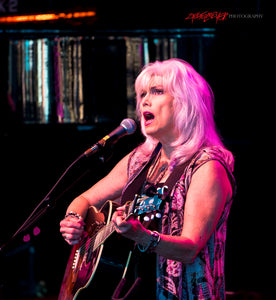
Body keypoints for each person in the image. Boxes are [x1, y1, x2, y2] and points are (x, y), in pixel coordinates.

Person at [60, 58, 236, 299]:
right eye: (142, 93)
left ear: (186, 103)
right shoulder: (140, 159)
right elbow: (85, 198)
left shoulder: (207, 166)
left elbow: (190, 248)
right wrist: (73, 219)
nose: (145, 100)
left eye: (157, 91)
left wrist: (143, 236)